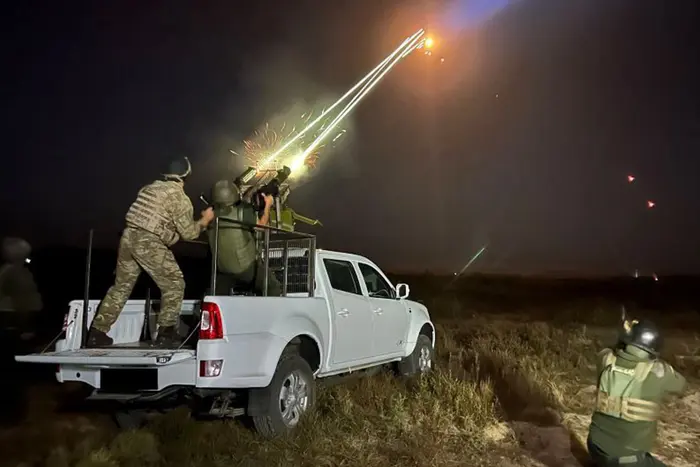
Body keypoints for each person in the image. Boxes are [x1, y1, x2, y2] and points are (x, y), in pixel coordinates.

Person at [87, 158, 215, 348]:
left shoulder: (148, 189)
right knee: (174, 283)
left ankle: (97, 333)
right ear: (186, 175)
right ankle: (166, 334)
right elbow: (189, 233)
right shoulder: (180, 199)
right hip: (148, 242)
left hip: (128, 238)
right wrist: (205, 220)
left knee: (121, 287)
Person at [587, 319, 687, 467]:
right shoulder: (658, 371)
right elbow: (682, 385)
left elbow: (612, 351)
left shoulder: (604, 358)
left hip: (595, 448)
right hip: (628, 460)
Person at [206, 179, 282, 296]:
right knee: (273, 286)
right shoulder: (243, 211)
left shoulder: (209, 215)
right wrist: (267, 205)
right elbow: (261, 226)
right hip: (244, 267)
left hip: (221, 267)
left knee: (216, 293)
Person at [0, 237, 43, 341]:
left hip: (22, 312)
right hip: (14, 313)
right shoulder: (10, 271)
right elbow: (19, 295)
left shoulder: (21, 269)